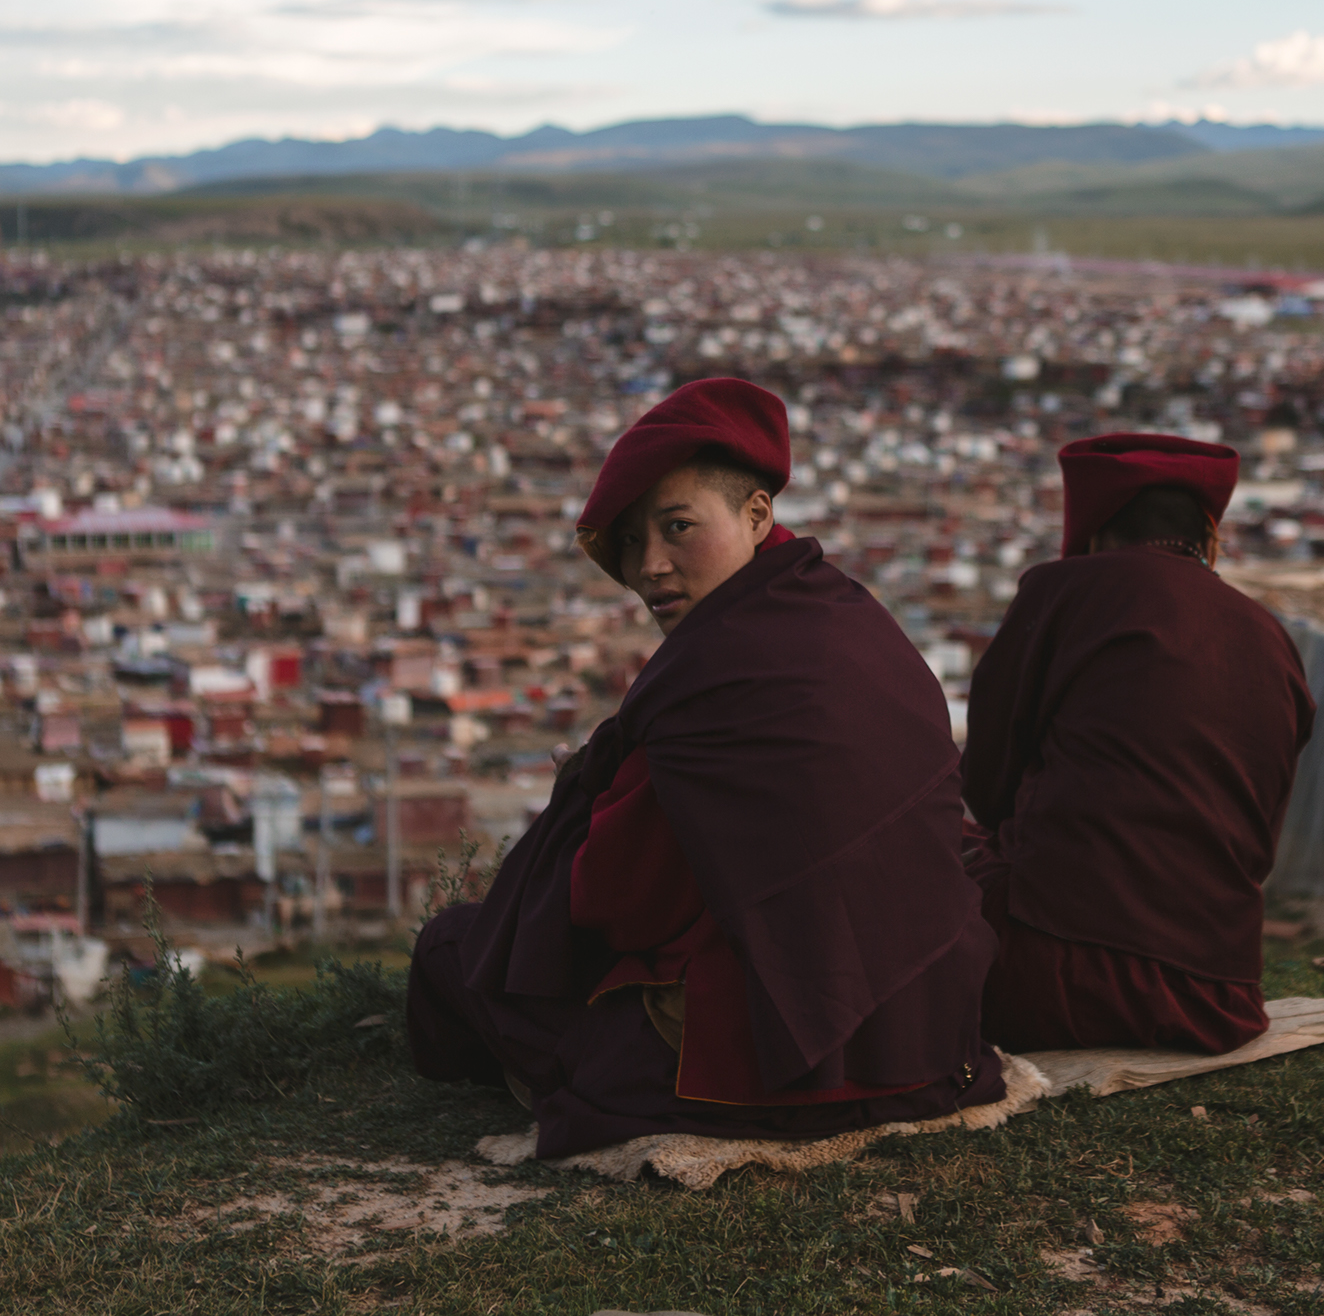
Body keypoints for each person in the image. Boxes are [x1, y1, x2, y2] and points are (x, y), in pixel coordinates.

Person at [406, 377, 1004, 1157]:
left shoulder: (710, 673)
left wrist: (590, 793)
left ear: (757, 515)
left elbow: (616, 902)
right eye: (629, 541)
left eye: (678, 527)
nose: (650, 565)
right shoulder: (853, 617)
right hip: (931, 1043)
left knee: (456, 951)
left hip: (792, 1073)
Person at [962, 432, 1311, 1054]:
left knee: (917, 835)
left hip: (1046, 979)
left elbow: (986, 786)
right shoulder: (1271, 636)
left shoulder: (1063, 591)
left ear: (1093, 535)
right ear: (1209, 541)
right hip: (1217, 996)